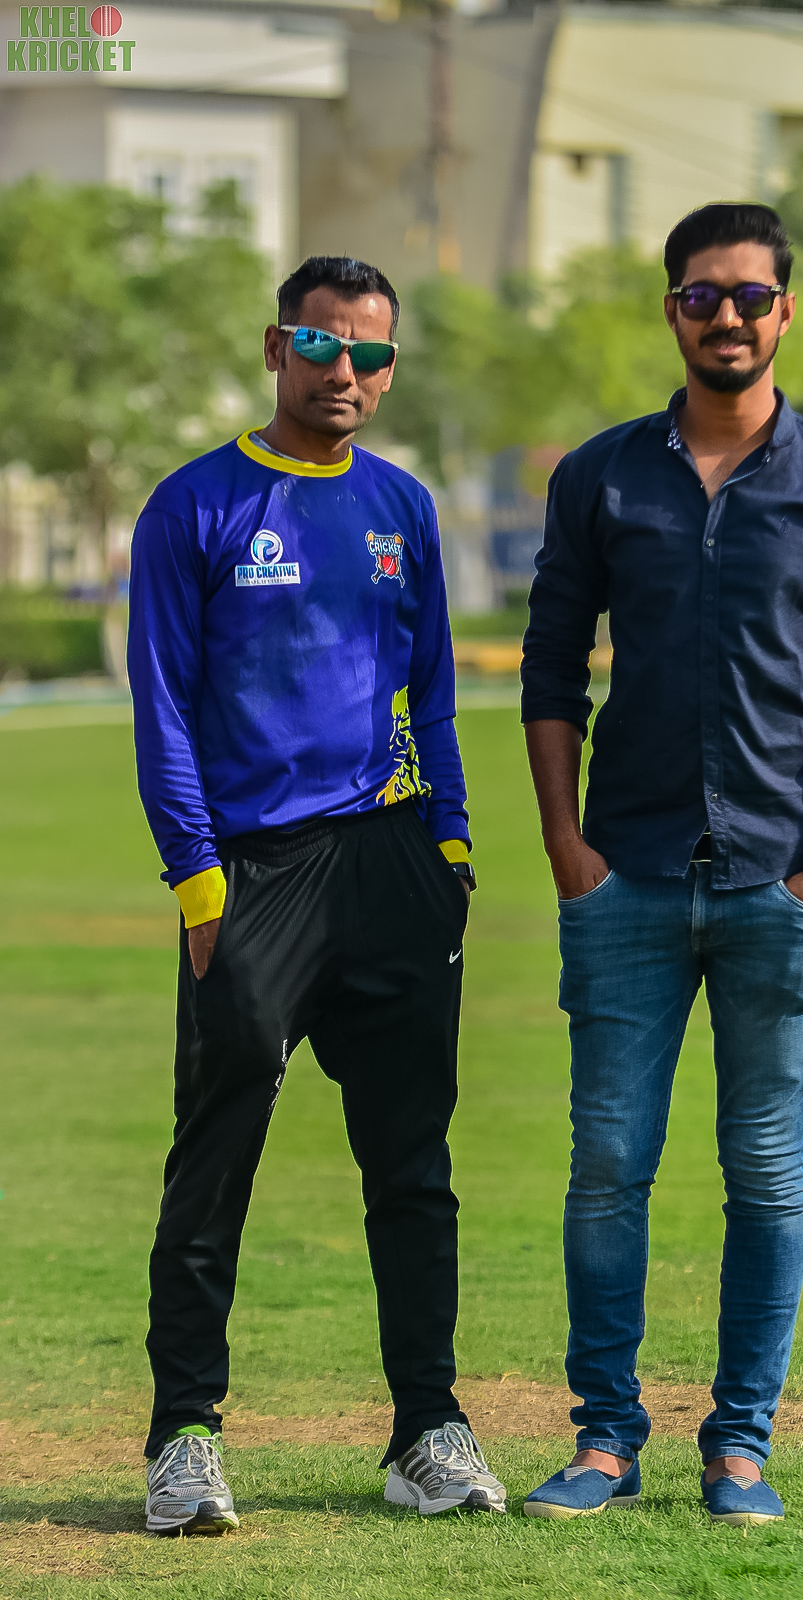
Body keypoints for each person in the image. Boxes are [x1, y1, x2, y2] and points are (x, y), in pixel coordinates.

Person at [519, 203, 803, 1525]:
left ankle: (738, 1446)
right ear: (672, 312)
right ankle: (603, 1439)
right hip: (623, 875)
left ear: (783, 312)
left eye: (750, 297)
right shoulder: (601, 477)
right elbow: (548, 670)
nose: (727, 317)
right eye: (702, 296)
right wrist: (566, 849)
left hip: (778, 881)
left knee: (763, 1174)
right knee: (605, 1168)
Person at [127, 255, 506, 1536]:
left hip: (393, 866)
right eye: (321, 344)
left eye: (370, 353)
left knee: (412, 1164)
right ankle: (185, 1435)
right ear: (276, 346)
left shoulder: (402, 504)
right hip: (250, 874)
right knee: (215, 1155)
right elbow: (162, 704)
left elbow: (432, 689)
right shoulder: (195, 505)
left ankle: (427, 1429)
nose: (345, 370)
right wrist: (196, 878)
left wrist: (450, 844)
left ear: (388, 370)